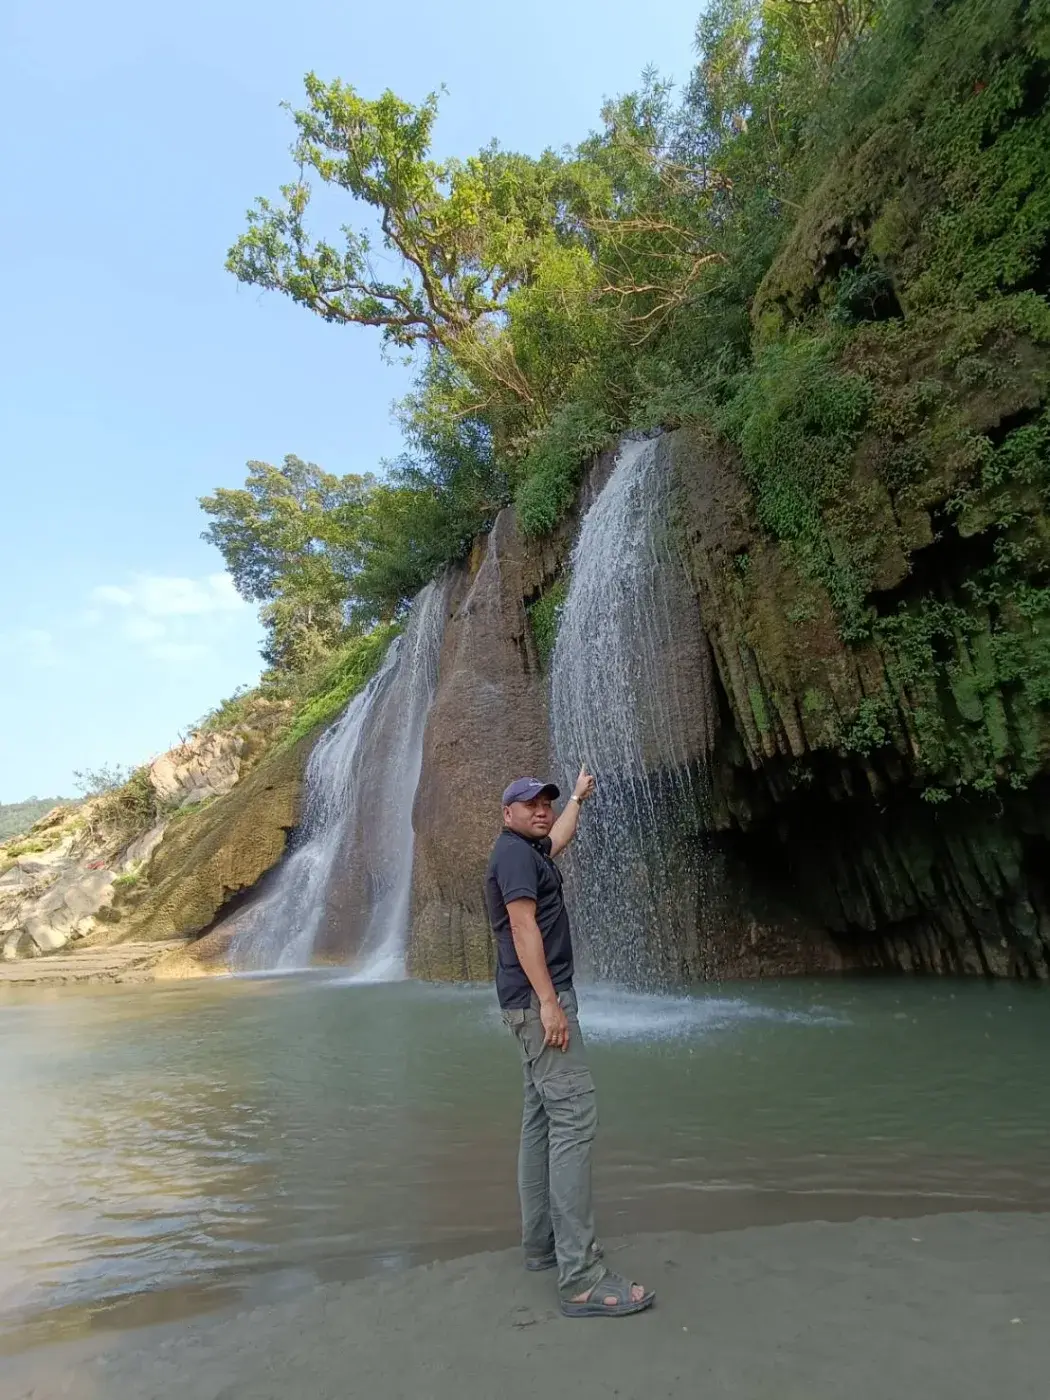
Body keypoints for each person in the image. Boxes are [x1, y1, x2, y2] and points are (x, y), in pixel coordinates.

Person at [484, 767, 655, 1318]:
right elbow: (522, 928)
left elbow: (558, 839)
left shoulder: (527, 851)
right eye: (529, 804)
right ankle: (580, 1277)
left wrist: (578, 799)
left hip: (527, 1003)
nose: (542, 810)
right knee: (574, 1120)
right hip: (541, 1004)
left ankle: (543, 1246)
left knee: (540, 1120)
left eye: (546, 802)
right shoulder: (513, 856)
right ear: (507, 813)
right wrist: (550, 1002)